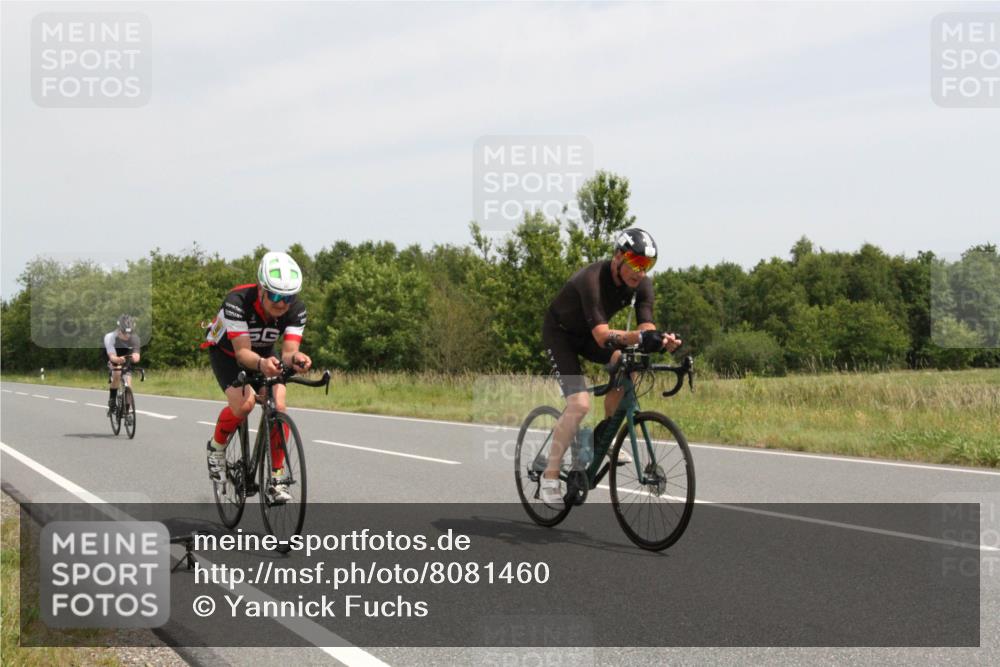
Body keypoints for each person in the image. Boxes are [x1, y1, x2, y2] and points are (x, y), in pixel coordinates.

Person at [540, 228, 681, 508]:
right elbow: (604, 337)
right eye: (636, 263)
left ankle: (603, 437)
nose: (640, 272)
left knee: (629, 368)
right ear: (618, 256)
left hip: (592, 336)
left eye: (647, 265)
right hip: (562, 335)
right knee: (579, 405)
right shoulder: (591, 279)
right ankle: (550, 476)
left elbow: (646, 327)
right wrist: (641, 338)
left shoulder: (642, 285)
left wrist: (660, 340)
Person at [201, 251, 312, 503]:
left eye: (288, 297)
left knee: (278, 405)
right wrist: (262, 364)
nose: (282, 303)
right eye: (274, 295)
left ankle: (277, 478)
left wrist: (297, 359)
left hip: (263, 354)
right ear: (261, 288)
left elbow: (288, 352)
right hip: (228, 353)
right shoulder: (236, 301)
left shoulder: (296, 310)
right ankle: (216, 448)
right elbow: (242, 353)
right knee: (245, 404)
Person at [104, 314, 141, 415]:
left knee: (128, 383)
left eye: (129, 333)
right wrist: (118, 359)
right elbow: (112, 357)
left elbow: (136, 354)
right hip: (115, 357)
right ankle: (112, 401)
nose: (127, 335)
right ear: (119, 329)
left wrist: (135, 357)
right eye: (124, 332)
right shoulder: (110, 337)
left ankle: (127, 410)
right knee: (117, 374)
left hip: (127, 358)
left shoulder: (134, 338)